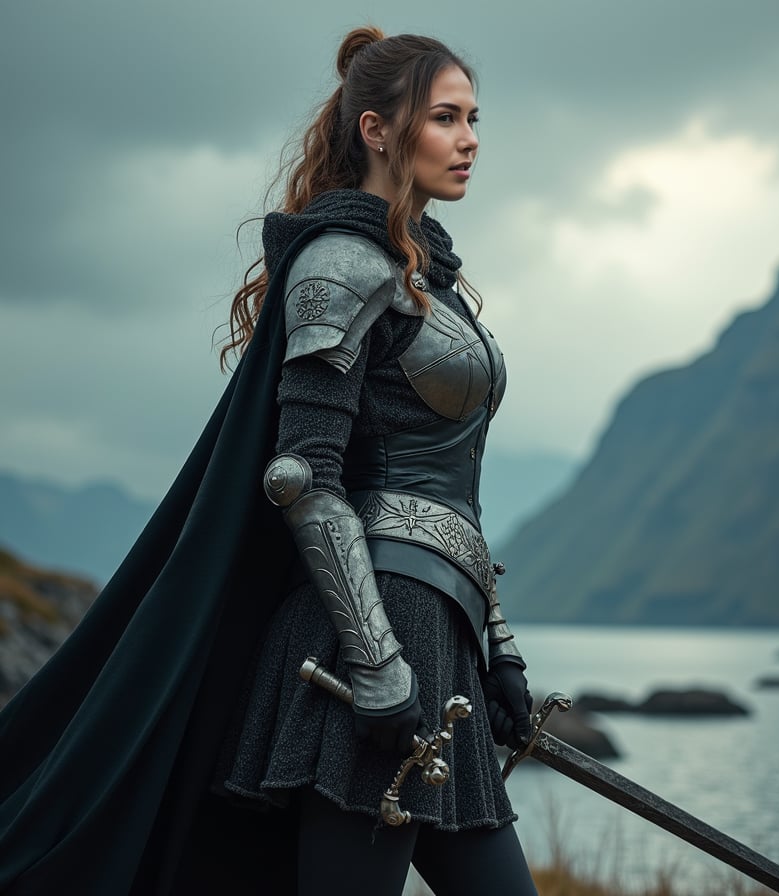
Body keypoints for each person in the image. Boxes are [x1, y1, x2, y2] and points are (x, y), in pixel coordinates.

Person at [0, 26, 537, 896]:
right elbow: (303, 478)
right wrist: (376, 661)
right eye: (446, 118)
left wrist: (498, 650)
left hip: (442, 637)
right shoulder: (339, 266)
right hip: (365, 640)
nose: (471, 139)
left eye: (475, 117)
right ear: (377, 129)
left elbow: (452, 489)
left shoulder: (431, 278)